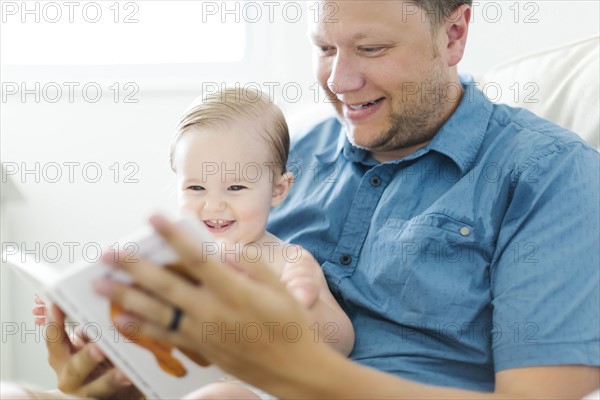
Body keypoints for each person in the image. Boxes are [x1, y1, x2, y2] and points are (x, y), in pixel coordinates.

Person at [29, 0, 600, 398]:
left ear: (453, 35)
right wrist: (122, 371)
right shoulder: (279, 154)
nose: (340, 80)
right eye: (324, 47)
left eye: (371, 48)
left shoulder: (548, 173)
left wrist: (296, 373)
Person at [27, 87, 354, 400]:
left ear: (278, 190)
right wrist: (85, 320)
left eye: (236, 187)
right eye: (196, 188)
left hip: (252, 391)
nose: (213, 206)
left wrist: (303, 310)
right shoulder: (166, 262)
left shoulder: (288, 261)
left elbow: (342, 341)